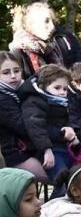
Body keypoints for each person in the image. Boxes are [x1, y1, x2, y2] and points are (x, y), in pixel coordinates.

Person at [19, 64, 81, 181]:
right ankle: (59, 199)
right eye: (57, 88)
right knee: (62, 179)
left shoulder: (60, 103)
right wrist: (46, 149)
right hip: (47, 150)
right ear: (44, 86)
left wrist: (77, 135)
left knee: (79, 177)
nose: (62, 92)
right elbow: (36, 127)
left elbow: (67, 122)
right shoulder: (35, 101)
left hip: (63, 148)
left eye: (65, 89)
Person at [8, 0, 81, 78]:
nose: (52, 27)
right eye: (46, 21)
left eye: (53, 21)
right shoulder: (18, 52)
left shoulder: (64, 40)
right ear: (29, 24)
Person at [0, 51, 48, 180]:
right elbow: (24, 127)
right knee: (53, 176)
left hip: (34, 145)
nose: (13, 76)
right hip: (14, 152)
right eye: (6, 72)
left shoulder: (25, 90)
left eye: (16, 71)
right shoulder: (2, 98)